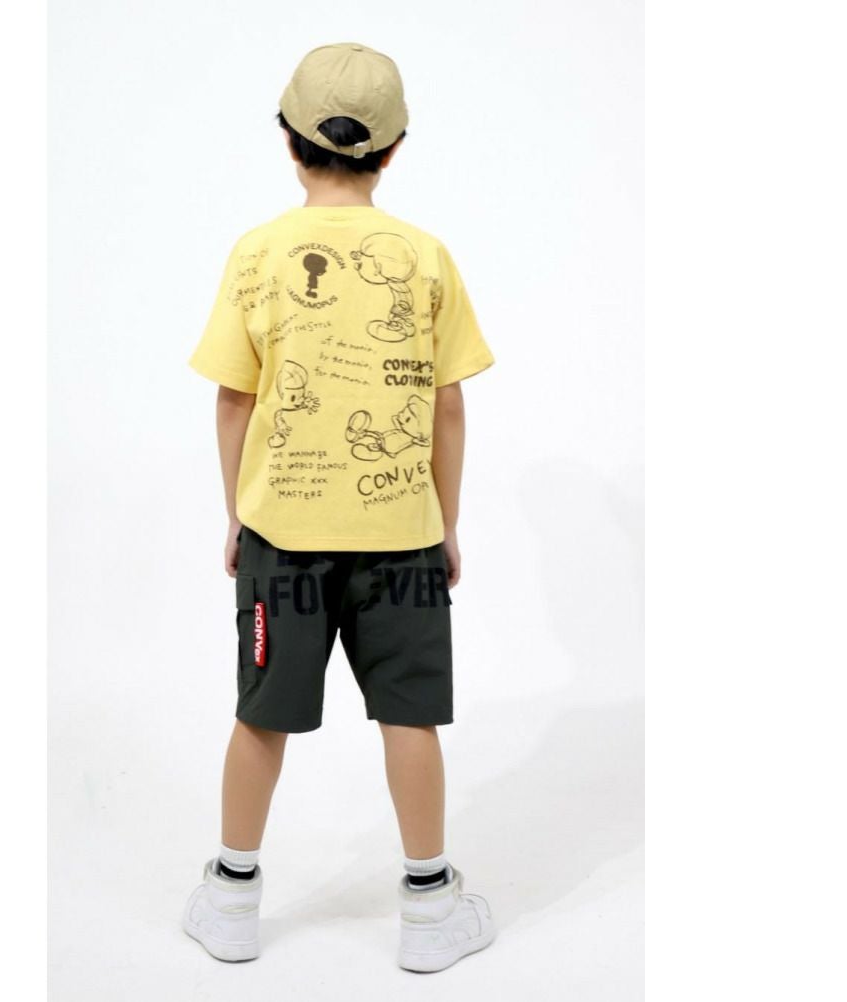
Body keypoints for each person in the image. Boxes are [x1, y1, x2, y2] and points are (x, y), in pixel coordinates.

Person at [181, 41, 497, 973]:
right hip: (403, 536)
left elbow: (233, 399)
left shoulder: (258, 254)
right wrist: (445, 520)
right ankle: (429, 906)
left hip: (282, 538)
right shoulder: (426, 257)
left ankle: (232, 896)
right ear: (393, 149)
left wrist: (238, 514)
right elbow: (447, 403)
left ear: (288, 140)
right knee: (410, 716)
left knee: (261, 716)